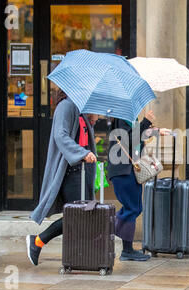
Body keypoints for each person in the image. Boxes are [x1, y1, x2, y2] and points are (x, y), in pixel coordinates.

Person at [26, 89, 98, 266]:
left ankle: (79, 256)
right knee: (78, 214)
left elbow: (81, 137)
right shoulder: (66, 106)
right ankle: (37, 241)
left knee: (84, 214)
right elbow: (61, 135)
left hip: (82, 171)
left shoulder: (79, 109)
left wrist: (92, 121)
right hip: (71, 171)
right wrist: (81, 153)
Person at [107, 110, 170, 261]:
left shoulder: (130, 117)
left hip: (130, 169)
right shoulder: (121, 116)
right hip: (122, 169)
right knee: (132, 208)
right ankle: (103, 232)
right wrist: (146, 121)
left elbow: (137, 134)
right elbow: (129, 138)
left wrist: (155, 131)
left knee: (135, 207)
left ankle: (127, 249)